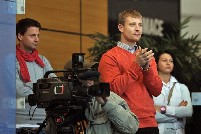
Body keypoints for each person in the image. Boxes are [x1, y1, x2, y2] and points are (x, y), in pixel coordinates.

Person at [98, 9, 162, 133]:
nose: (137, 29)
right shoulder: (109, 57)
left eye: (140, 25)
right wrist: (136, 65)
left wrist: (146, 69)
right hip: (125, 122)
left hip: (150, 122)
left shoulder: (146, 55)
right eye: (132, 24)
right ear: (120, 27)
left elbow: (157, 90)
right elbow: (112, 91)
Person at [16, 18, 56, 126]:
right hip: (18, 122)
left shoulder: (43, 60)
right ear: (20, 36)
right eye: (32, 35)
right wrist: (44, 94)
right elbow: (17, 89)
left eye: (38, 35)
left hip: (42, 121)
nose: (37, 39)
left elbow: (54, 82)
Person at [153, 50, 193, 134]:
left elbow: (188, 111)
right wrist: (177, 115)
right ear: (156, 63)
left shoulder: (182, 88)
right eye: (164, 60)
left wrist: (162, 109)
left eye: (171, 61)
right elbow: (149, 115)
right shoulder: (149, 87)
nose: (168, 63)